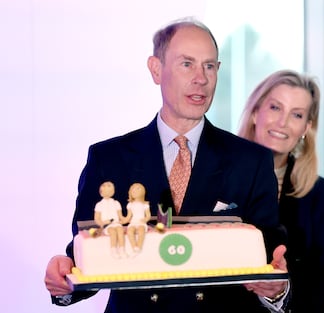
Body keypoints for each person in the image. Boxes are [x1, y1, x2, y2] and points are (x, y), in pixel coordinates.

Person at [44, 17, 290, 313]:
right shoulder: (109, 158)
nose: (201, 78)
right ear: (156, 69)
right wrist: (63, 280)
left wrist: (277, 290)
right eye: (187, 64)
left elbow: (271, 257)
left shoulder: (251, 161)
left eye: (209, 66)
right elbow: (88, 255)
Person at [238, 69, 324, 313]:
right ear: (255, 113)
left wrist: (279, 295)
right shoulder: (215, 176)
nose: (283, 122)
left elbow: (323, 280)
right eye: (275, 108)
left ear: (306, 127)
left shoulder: (320, 193)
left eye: (296, 114)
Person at [94, 181, 127, 258]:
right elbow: (97, 219)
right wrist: (103, 223)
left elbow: (121, 217)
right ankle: (113, 250)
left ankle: (122, 250)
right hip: (107, 225)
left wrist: (125, 220)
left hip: (116, 223)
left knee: (120, 230)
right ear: (101, 192)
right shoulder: (99, 205)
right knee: (112, 232)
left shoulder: (116, 203)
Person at [124, 182, 151, 254]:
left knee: (141, 230)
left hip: (141, 222)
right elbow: (128, 216)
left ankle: (139, 246)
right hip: (133, 222)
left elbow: (148, 215)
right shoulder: (130, 205)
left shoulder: (145, 205)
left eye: (138, 189)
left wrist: (145, 219)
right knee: (130, 231)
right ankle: (134, 247)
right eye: (133, 190)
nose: (135, 191)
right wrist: (124, 221)